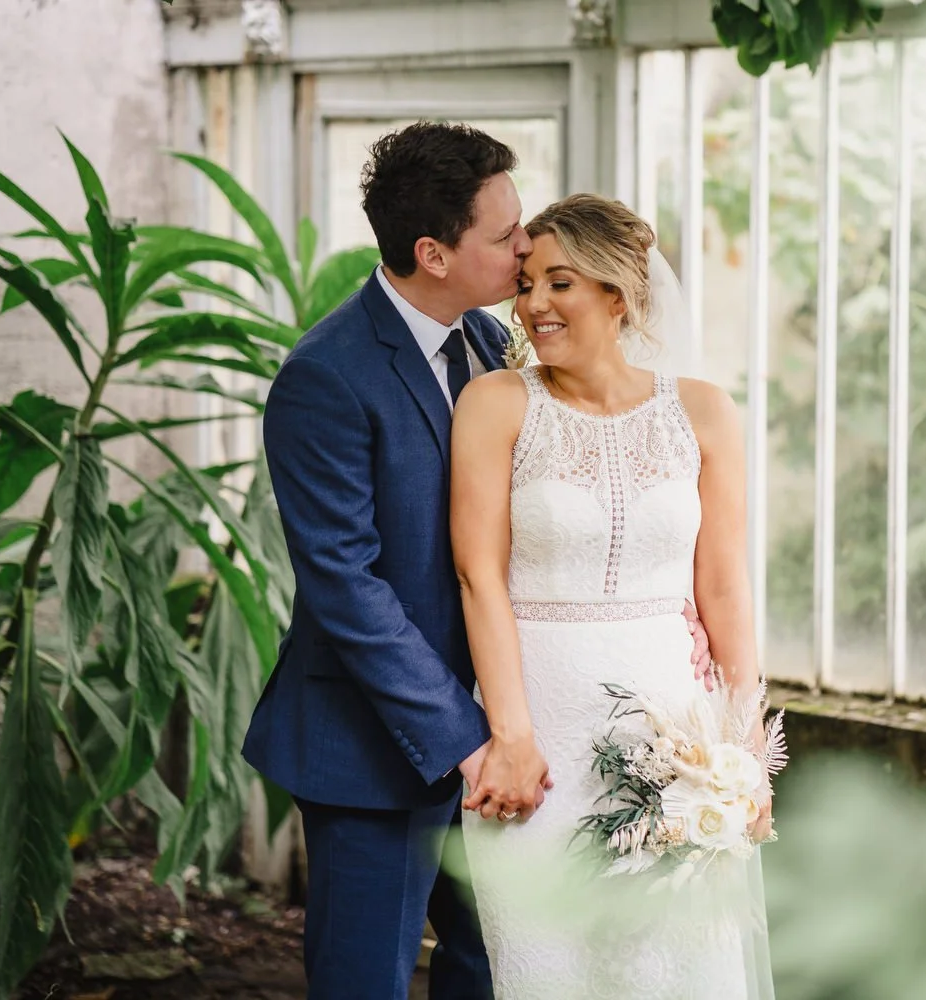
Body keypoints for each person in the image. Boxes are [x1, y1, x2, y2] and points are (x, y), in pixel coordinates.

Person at [240, 122, 714, 999]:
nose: (526, 245)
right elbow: (346, 588)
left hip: (523, 744)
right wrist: (473, 744)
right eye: (504, 236)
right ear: (433, 252)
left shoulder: (496, 347)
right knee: (366, 981)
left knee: (497, 972)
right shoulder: (326, 377)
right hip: (382, 747)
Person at [450, 194, 776, 999]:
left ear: (617, 295)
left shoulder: (703, 411)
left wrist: (742, 752)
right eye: (527, 283)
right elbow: (477, 576)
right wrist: (511, 734)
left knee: (680, 966)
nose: (533, 304)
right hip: (541, 738)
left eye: (560, 283)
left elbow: (726, 584)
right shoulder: (497, 403)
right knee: (549, 966)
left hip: (674, 733)